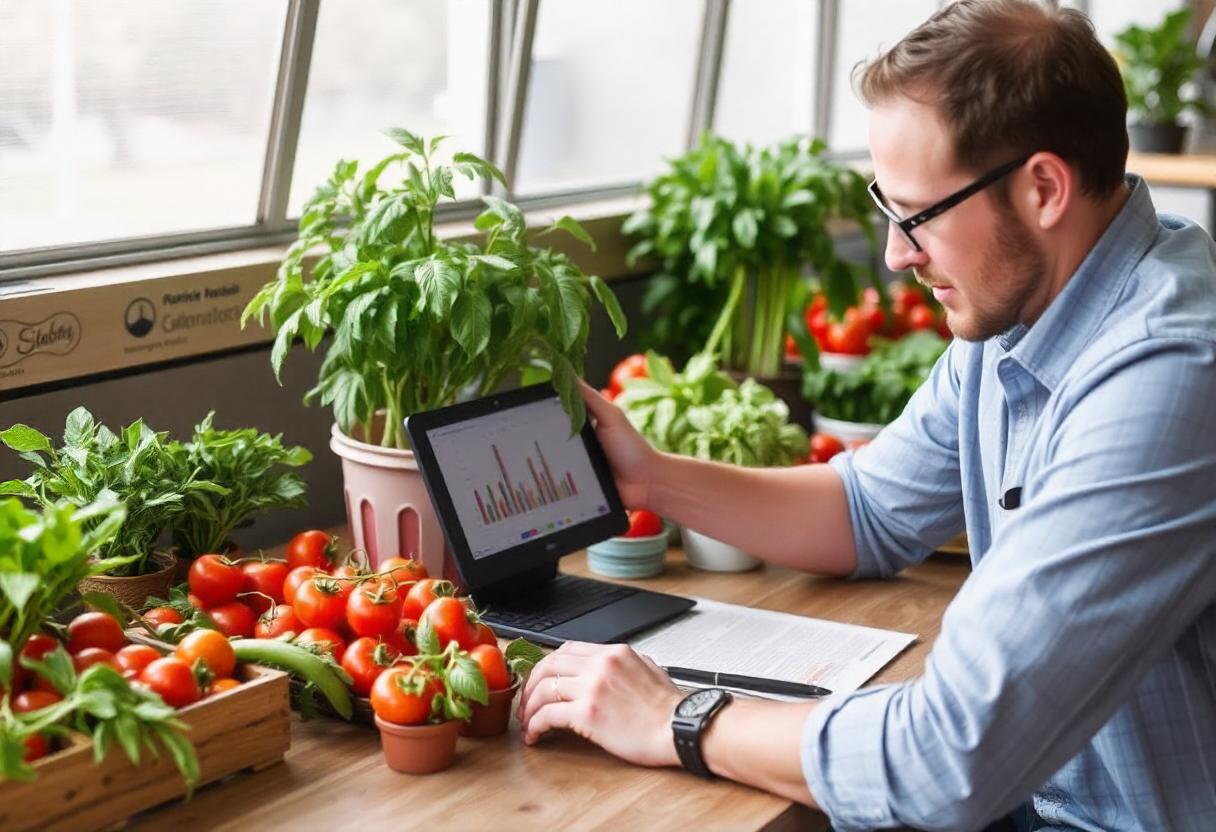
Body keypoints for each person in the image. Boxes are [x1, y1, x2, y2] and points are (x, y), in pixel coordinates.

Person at [513, 1, 1216, 830]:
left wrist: (678, 716)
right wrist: (655, 478)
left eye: (918, 217)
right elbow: (870, 510)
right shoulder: (1025, 309)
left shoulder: (1170, 369)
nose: (896, 255)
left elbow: (949, 760)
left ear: (1043, 189)